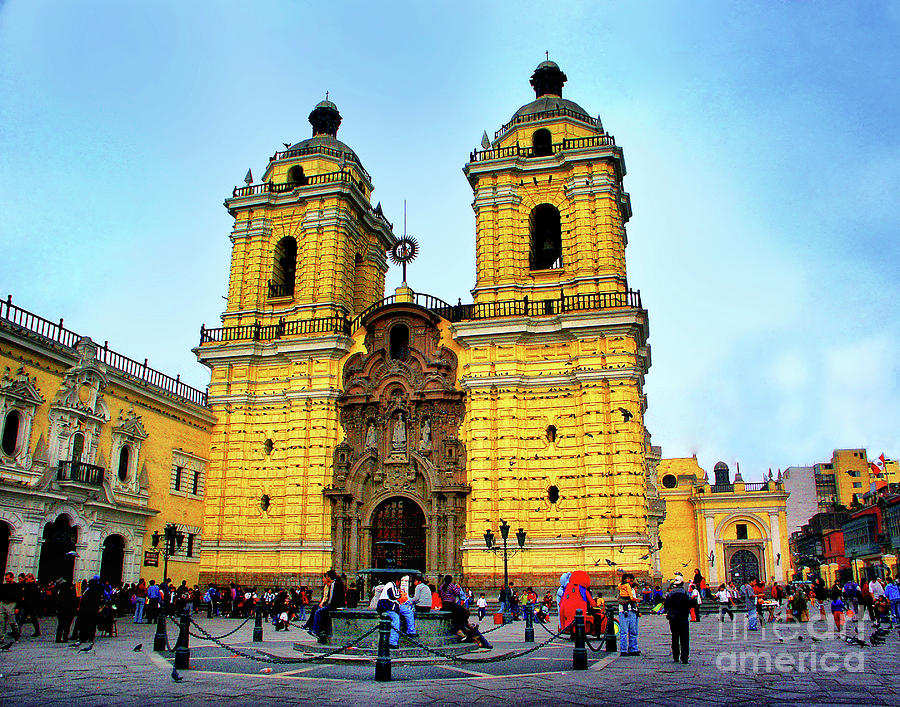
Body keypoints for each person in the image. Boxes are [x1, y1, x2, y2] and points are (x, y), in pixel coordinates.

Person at [558, 570, 604, 637]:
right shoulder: (582, 589)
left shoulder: (568, 587)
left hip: (566, 611)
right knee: (581, 620)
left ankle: (572, 633)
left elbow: (562, 600)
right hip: (579, 611)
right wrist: (595, 606)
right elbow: (591, 601)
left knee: (570, 621)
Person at [376, 578, 416, 648]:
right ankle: (393, 642)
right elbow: (394, 596)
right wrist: (400, 594)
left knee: (409, 612)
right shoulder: (390, 585)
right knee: (396, 620)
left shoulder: (392, 585)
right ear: (397, 581)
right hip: (388, 606)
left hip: (394, 605)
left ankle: (411, 631)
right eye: (399, 582)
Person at [665, 574, 691, 664]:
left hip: (673, 619)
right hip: (683, 618)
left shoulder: (670, 594)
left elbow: (666, 606)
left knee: (675, 637)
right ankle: (684, 658)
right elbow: (689, 604)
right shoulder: (685, 593)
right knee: (684, 638)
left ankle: (675, 656)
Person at [618, 573, 640, 655]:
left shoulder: (633, 590)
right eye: (629, 580)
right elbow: (620, 600)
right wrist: (630, 600)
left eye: (631, 580)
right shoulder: (621, 588)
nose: (630, 582)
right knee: (623, 632)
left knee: (633, 631)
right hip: (623, 612)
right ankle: (623, 650)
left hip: (633, 612)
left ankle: (633, 649)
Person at [0, 572, 19, 639]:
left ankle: (16, 631)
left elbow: (19, 597)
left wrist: (17, 607)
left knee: (12, 621)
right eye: (6, 579)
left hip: (12, 603)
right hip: (3, 603)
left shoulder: (16, 586)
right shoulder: (3, 586)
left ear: (12, 578)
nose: (7, 580)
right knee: (1, 621)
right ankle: (1, 637)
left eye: (8, 578)